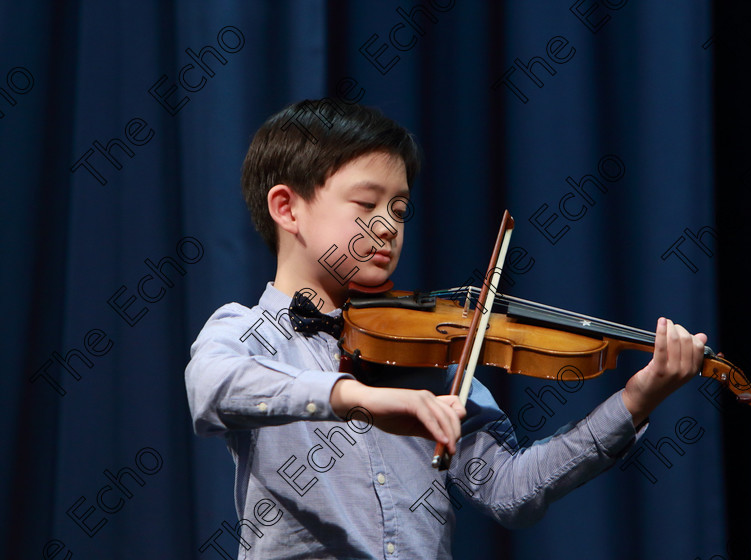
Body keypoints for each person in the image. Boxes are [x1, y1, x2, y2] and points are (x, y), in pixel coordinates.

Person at [184, 99, 707, 559]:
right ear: (287, 207)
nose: (388, 225)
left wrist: (635, 401)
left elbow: (510, 492)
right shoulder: (248, 332)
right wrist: (359, 397)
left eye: (400, 208)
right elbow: (211, 387)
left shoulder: (424, 356)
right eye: (366, 205)